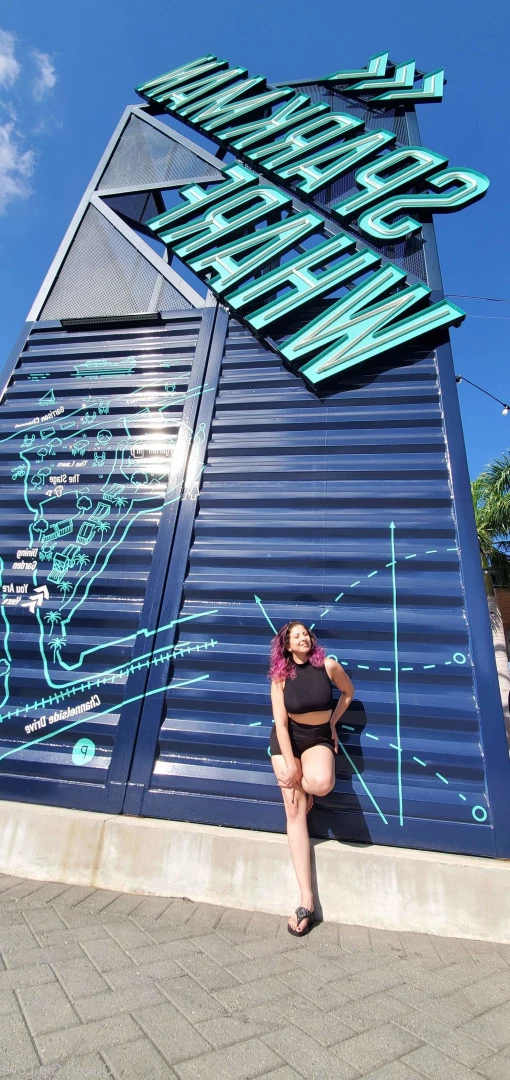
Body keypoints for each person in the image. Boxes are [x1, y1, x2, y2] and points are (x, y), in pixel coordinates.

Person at [269, 620, 354, 936]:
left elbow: (348, 692)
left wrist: (333, 722)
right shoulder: (280, 676)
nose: (303, 637)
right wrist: (291, 766)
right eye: (296, 636)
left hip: (318, 737)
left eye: (306, 633)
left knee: (321, 783)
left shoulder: (328, 666)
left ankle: (305, 791)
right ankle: (307, 899)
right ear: (287, 645)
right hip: (287, 740)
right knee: (293, 810)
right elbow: (280, 723)